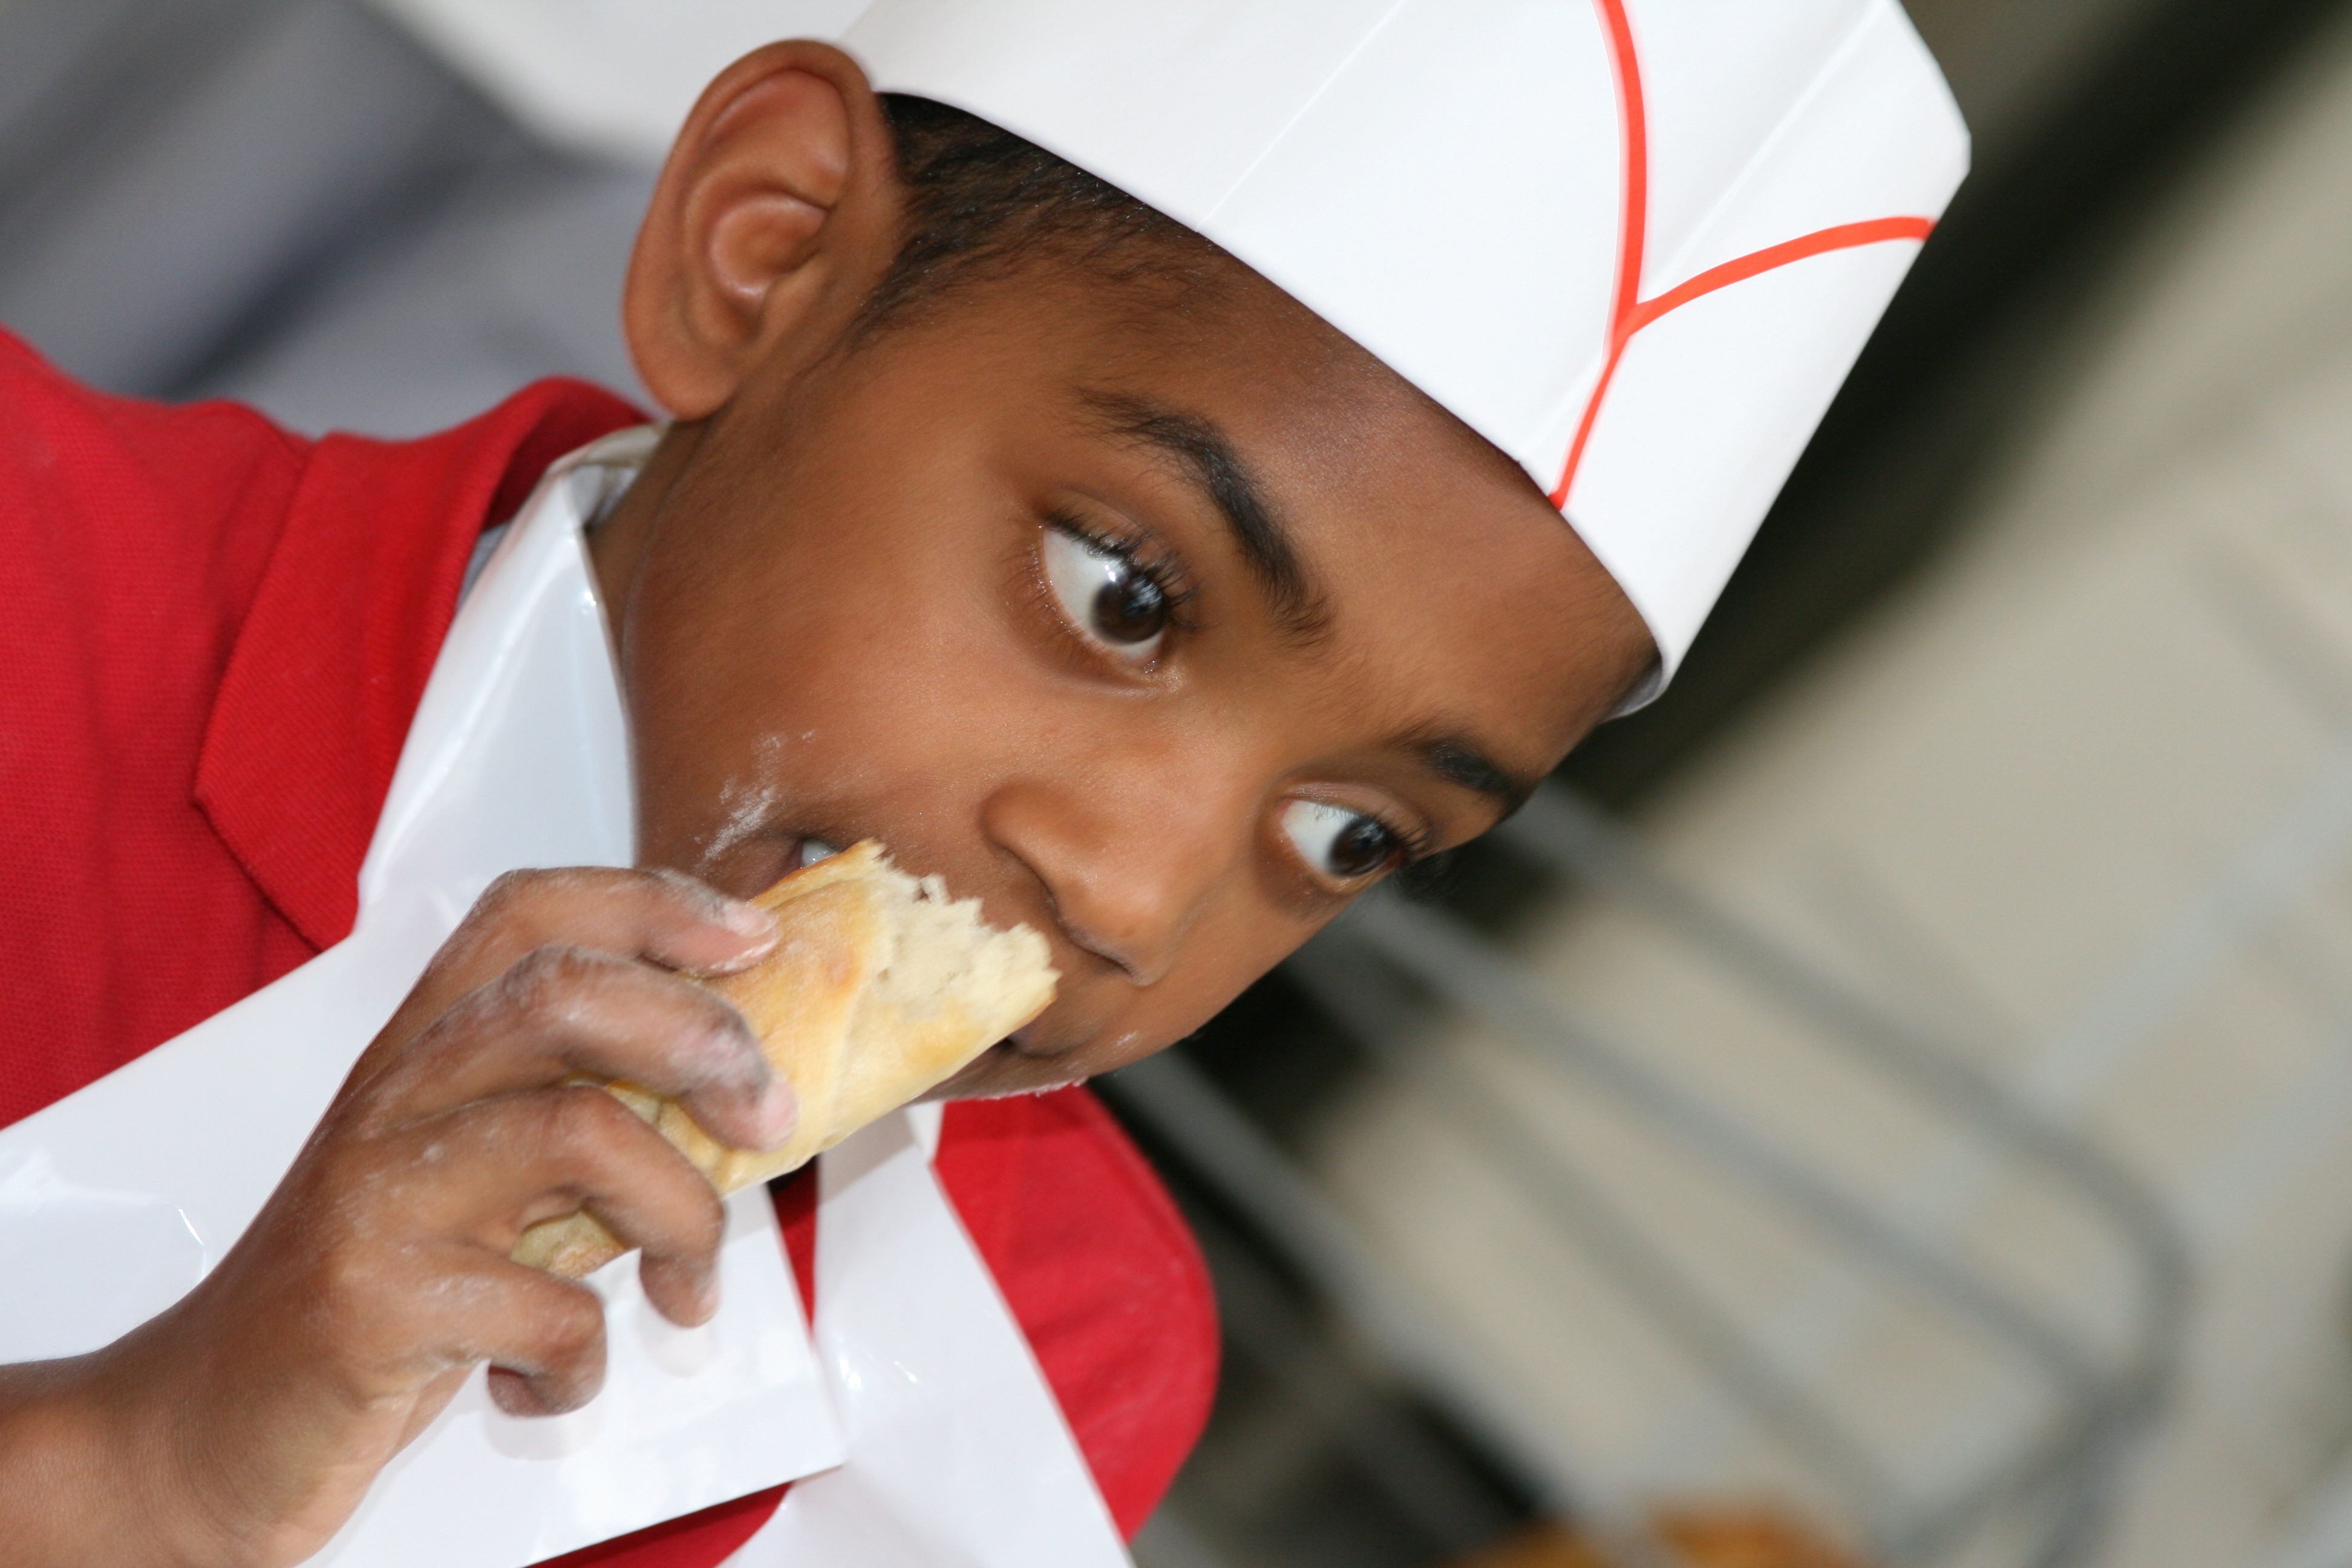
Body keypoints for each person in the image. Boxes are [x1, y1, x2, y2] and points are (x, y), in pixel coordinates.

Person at [0, 2, 1966, 1563]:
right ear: (764, 258)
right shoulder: (49, 580)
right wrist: (130, 1472)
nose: (1135, 897)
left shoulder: (1055, 1336)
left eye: (1350, 835)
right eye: (1121, 594)